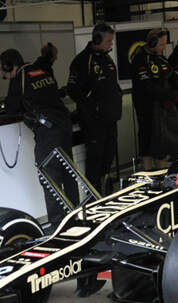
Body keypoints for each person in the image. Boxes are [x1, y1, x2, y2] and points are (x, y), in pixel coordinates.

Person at [0, 48, 79, 228]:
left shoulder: (19, 78)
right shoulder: (41, 70)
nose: (3, 74)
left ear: (9, 66)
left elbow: (11, 108)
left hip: (48, 130)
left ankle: (58, 224)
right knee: (68, 172)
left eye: (3, 71)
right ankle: (75, 215)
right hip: (64, 125)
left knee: (49, 176)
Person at [67, 23, 122, 194]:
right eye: (108, 41)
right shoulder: (82, 61)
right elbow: (73, 90)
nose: (110, 44)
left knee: (108, 157)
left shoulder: (106, 58)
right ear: (97, 39)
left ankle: (105, 192)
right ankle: (94, 197)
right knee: (95, 160)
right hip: (94, 121)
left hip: (111, 117)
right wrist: (93, 107)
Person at [131, 28, 178, 170]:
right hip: (146, 108)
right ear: (152, 42)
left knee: (162, 143)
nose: (164, 47)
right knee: (147, 141)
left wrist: (176, 93)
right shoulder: (140, 59)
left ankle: (161, 174)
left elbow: (172, 77)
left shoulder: (161, 58)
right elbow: (148, 87)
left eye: (165, 44)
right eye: (161, 44)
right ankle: (149, 175)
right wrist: (171, 95)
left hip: (163, 109)